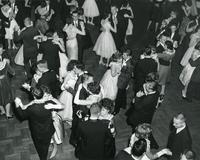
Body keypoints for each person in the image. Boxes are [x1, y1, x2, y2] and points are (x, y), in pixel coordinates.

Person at [14, 87, 55, 160]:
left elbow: (22, 115)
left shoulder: (31, 108)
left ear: (34, 96)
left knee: (39, 145)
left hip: (37, 131)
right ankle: (46, 150)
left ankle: (43, 157)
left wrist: (17, 104)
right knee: (46, 143)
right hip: (48, 129)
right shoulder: (50, 103)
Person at [114, 47, 133, 114]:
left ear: (129, 56)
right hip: (122, 80)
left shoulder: (129, 64)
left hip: (123, 81)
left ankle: (116, 110)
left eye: (124, 55)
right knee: (123, 93)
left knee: (118, 96)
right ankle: (123, 105)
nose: (123, 56)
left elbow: (128, 75)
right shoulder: (125, 60)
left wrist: (120, 73)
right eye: (123, 54)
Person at [0, 45, 15, 119]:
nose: (1, 51)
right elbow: (13, 72)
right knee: (7, 97)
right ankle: (8, 114)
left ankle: (2, 111)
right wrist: (8, 63)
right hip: (4, 82)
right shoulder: (4, 62)